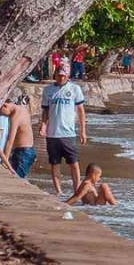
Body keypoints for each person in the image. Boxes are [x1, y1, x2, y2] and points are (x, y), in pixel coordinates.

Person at [40, 67, 87, 195]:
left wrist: (83, 131)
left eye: (63, 76)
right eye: (59, 76)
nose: (61, 78)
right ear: (55, 75)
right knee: (55, 163)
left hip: (69, 133)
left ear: (67, 76)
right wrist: (43, 125)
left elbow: (81, 110)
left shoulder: (74, 89)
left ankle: (77, 189)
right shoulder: (48, 90)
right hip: (52, 134)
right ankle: (58, 191)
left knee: (74, 163)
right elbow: (45, 110)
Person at [0, 97, 36, 179]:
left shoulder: (15, 116)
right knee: (16, 176)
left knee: (16, 179)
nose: (1, 115)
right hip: (24, 150)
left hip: (24, 152)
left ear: (5, 105)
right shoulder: (22, 109)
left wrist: (4, 161)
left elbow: (10, 141)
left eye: (1, 113)